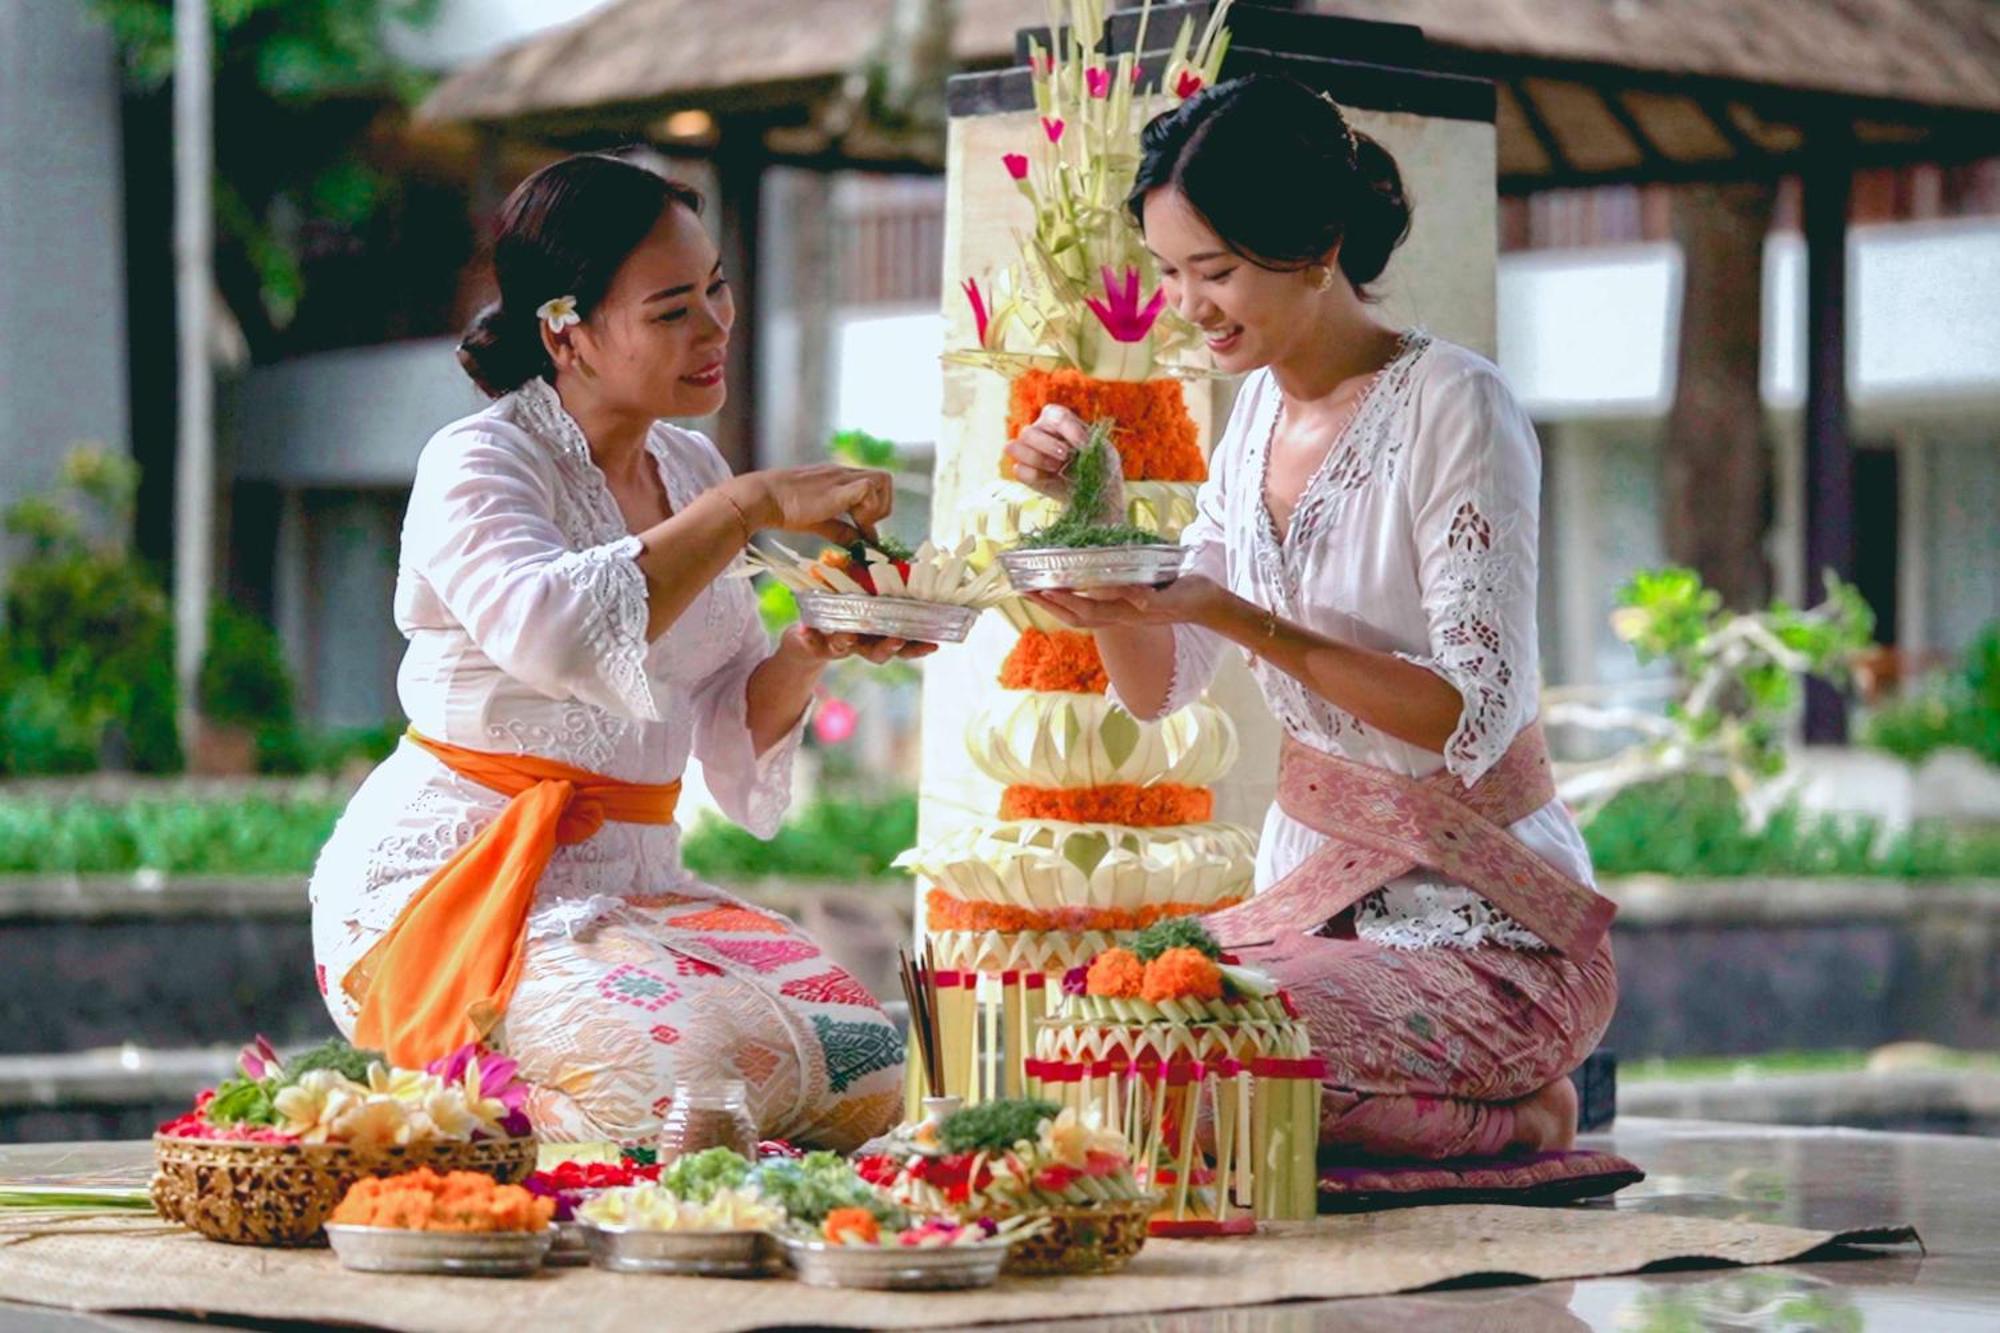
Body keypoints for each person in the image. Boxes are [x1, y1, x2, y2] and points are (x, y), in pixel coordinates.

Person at [1006, 77, 1616, 1160]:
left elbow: (1459, 715)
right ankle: (1463, 1123)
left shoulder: (1452, 404)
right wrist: (1096, 565)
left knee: (1202, 1058)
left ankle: (1530, 1109)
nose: (1189, 304)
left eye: (1217, 270)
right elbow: (1156, 684)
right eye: (1169, 273)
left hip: (1482, 929)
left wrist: (1237, 614)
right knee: (1083, 1029)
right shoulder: (1247, 427)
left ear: (1318, 243)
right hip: (1310, 909)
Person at [309, 153, 915, 1148]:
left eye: (714, 287)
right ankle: (453, 1128)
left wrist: (813, 641)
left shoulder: (687, 465)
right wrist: (749, 506)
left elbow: (722, 705)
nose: (716, 325)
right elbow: (554, 629)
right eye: (671, 308)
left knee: (860, 1060)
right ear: (566, 330)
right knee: (684, 1089)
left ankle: (607, 1142)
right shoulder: (478, 462)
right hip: (450, 888)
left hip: (631, 889)